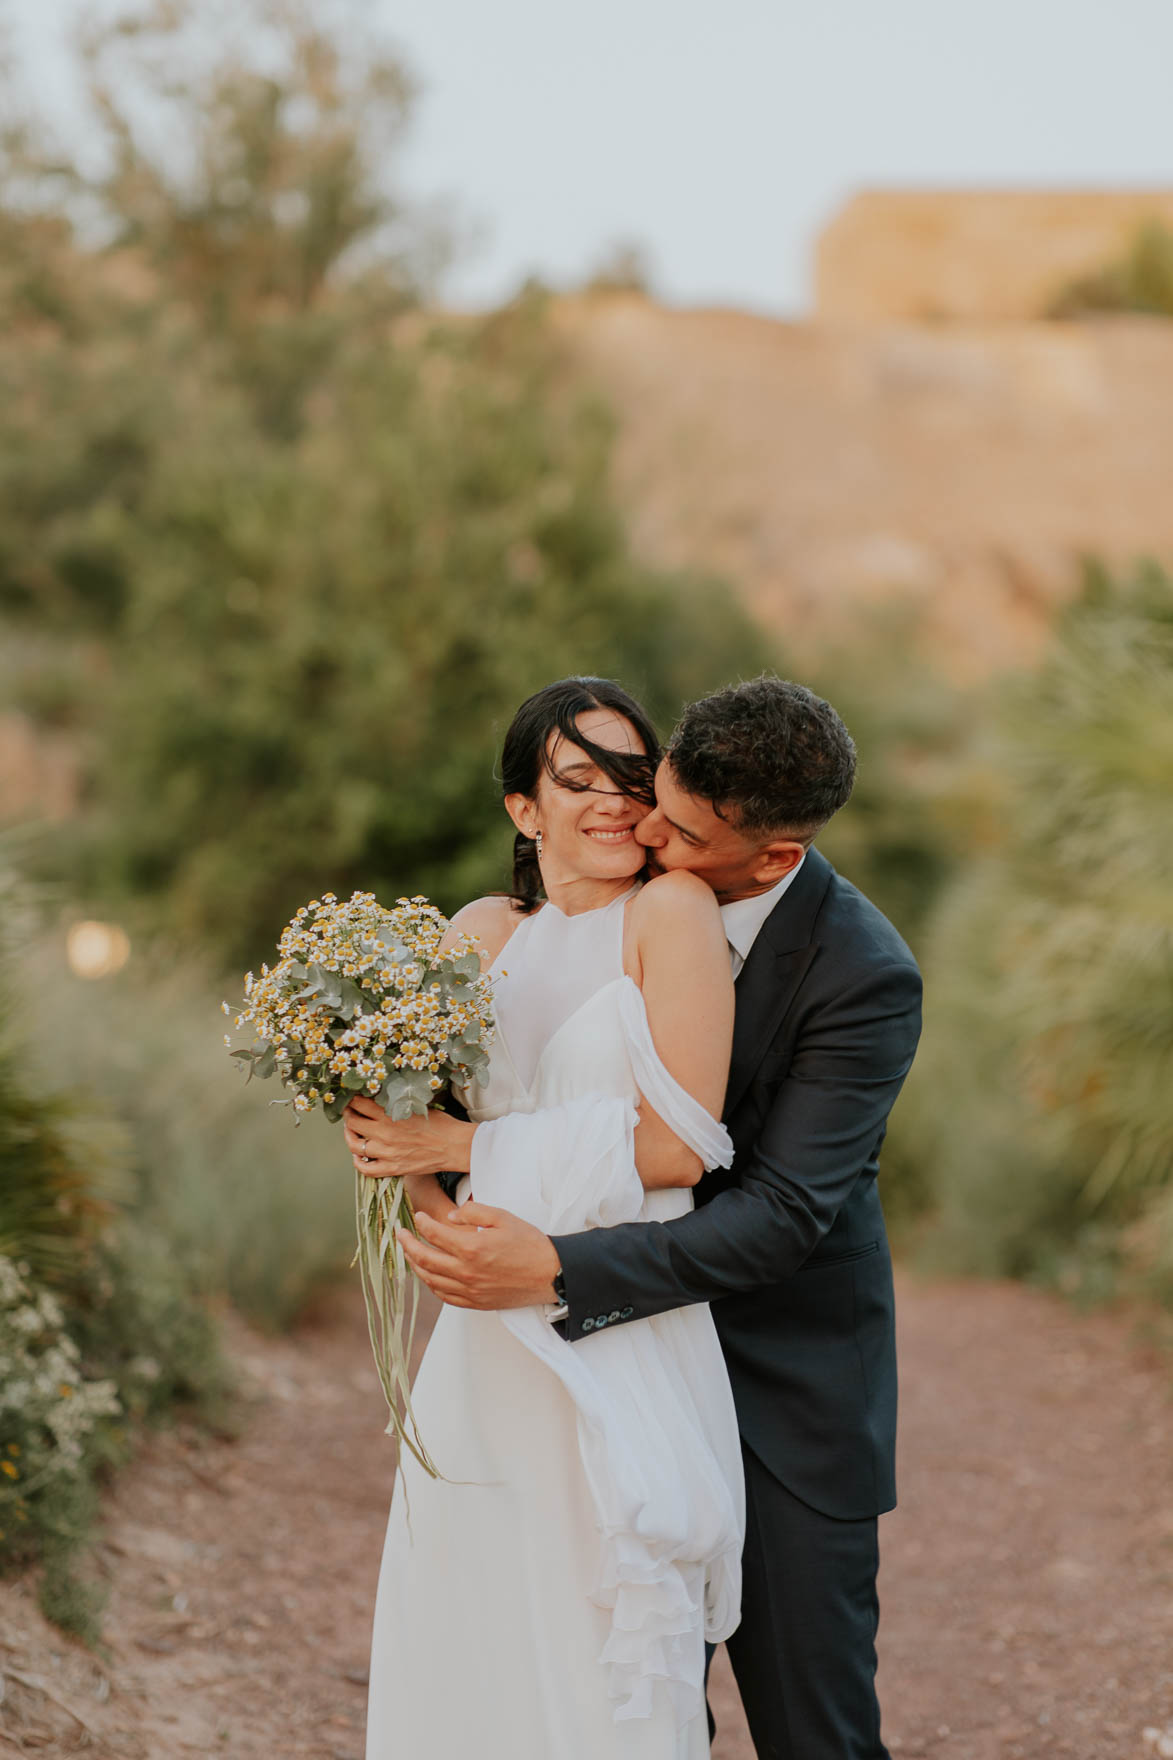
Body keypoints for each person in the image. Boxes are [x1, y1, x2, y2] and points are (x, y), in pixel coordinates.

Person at [388, 675, 924, 1760]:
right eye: (642, 788)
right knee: (591, 1687)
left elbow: (776, 1216)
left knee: (811, 1721)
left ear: (770, 856)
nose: (639, 820)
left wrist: (547, 1262)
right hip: (562, 1355)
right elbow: (436, 1120)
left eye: (669, 818)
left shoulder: (863, 976)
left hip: (777, 1372)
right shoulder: (521, 925)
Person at [348, 676, 747, 1760]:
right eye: (579, 778)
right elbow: (405, 1122)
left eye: (630, 775)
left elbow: (678, 1147)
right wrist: (426, 1202)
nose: (613, 800)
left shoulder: (670, 914)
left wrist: (464, 1151)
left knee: (593, 1629)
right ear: (524, 808)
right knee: (474, 1613)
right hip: (482, 1327)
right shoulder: (482, 932)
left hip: (610, 1317)